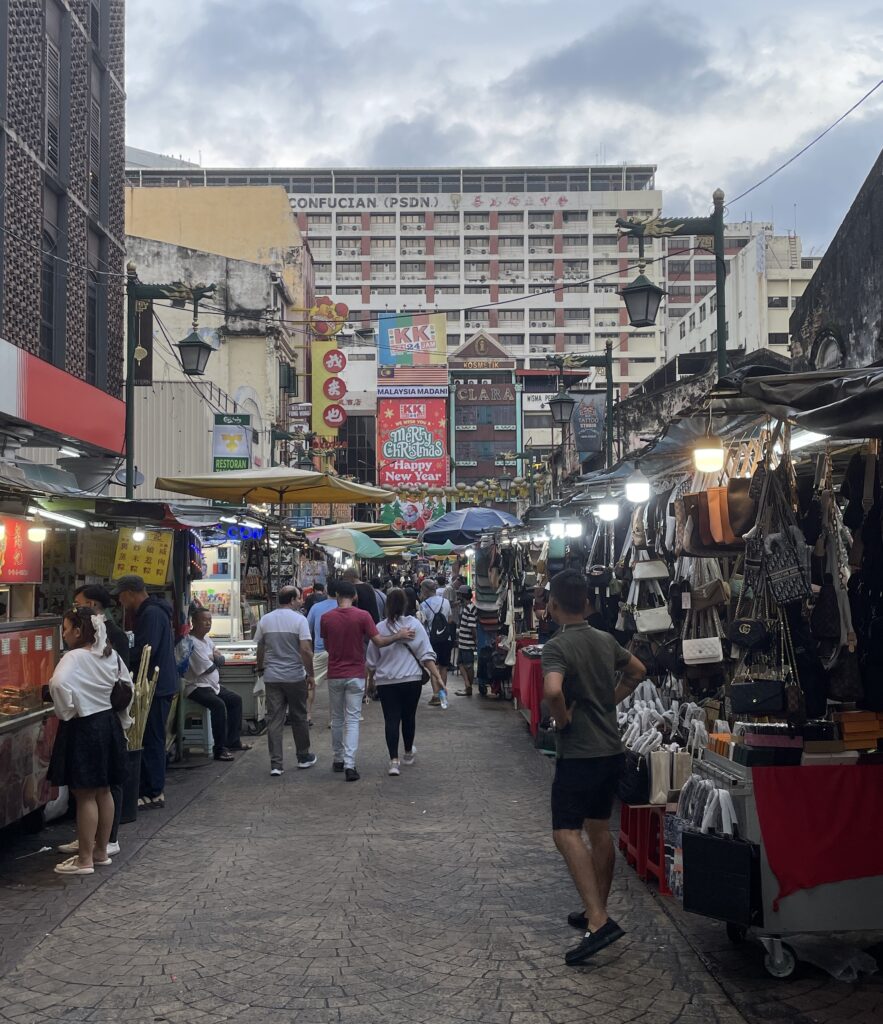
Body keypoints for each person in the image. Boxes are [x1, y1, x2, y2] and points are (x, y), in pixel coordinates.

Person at [541, 569, 646, 966]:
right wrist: (609, 701)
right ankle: (594, 910)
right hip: (611, 750)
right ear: (586, 603)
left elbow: (553, 690)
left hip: (580, 753)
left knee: (566, 832)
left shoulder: (557, 645)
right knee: (599, 829)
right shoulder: (605, 639)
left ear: (552, 605)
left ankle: (599, 920)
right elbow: (638, 671)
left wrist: (563, 720)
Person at [48, 607, 131, 874]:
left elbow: (58, 684)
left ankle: (84, 860)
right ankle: (100, 851)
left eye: (65, 628)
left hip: (84, 726)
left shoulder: (73, 657)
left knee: (84, 795)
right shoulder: (110, 655)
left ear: (78, 631)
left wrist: (67, 709)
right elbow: (127, 686)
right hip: (108, 724)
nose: (63, 633)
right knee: (104, 790)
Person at [320, 581, 414, 781]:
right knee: (352, 720)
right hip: (355, 673)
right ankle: (350, 764)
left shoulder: (326, 618)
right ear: (355, 596)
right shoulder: (363, 616)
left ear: (337, 595)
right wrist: (398, 635)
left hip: (335, 673)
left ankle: (337, 758)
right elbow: (379, 641)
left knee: (337, 718)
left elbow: (327, 645)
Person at [113, 575, 177, 810]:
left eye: (121, 595)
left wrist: (119, 658)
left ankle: (154, 791)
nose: (120, 600)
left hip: (155, 687)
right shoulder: (154, 612)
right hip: (159, 685)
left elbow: (145, 650)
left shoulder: (151, 614)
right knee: (151, 736)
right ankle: (153, 789)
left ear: (131, 592)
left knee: (152, 737)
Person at [366, 588, 443, 776]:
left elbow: (371, 660)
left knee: (391, 720)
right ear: (406, 604)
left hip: (386, 681)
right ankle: (408, 753)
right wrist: (438, 677)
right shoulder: (414, 625)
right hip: (411, 679)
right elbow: (426, 654)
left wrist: (370, 682)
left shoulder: (380, 628)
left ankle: (393, 761)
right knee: (408, 717)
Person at [255, 586, 317, 775]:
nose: (301, 601)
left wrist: (260, 669)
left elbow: (260, 647)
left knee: (274, 719)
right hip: (294, 676)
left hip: (272, 676)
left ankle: (276, 764)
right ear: (291, 600)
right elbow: (306, 650)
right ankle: (303, 756)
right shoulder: (299, 620)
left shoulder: (265, 620)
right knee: (299, 716)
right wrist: (311, 673)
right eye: (299, 598)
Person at [181, 608, 251, 762]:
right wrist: (215, 659)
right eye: (204, 620)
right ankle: (220, 749)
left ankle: (233, 741)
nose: (208, 623)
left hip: (213, 686)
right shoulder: (191, 642)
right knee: (218, 706)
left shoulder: (206, 639)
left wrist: (214, 658)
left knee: (235, 700)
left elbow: (219, 657)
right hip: (197, 687)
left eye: (210, 620)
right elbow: (208, 668)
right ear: (194, 622)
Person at [74, 585, 130, 668]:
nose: (74, 610)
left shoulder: (117, 635)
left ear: (91, 604)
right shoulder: (80, 631)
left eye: (77, 605)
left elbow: (121, 672)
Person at [307, 579, 337, 726]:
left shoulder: (316, 607)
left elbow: (308, 630)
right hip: (338, 652)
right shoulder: (343, 607)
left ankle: (307, 715)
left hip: (319, 650)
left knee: (311, 683)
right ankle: (333, 719)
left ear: (326, 591)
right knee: (335, 686)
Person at [419, 579, 453, 708]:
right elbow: (450, 620)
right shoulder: (446, 602)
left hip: (431, 640)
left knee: (434, 666)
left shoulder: (424, 605)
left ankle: (435, 695)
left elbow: (422, 623)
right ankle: (442, 694)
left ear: (425, 590)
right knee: (444, 667)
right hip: (446, 638)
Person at [454, 586, 478, 697]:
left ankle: (469, 687)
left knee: (468, 665)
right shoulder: (466, 607)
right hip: (463, 642)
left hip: (467, 643)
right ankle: (467, 685)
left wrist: (475, 640)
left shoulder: (470, 608)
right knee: (460, 664)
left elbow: (472, 627)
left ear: (463, 596)